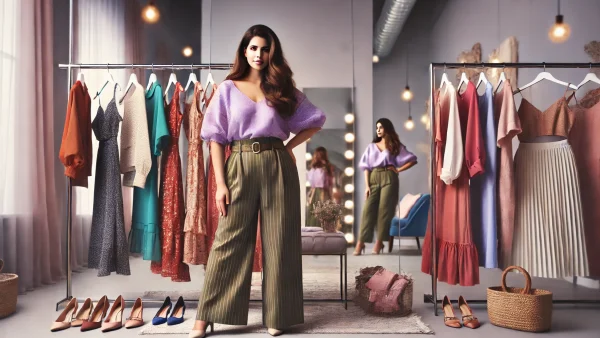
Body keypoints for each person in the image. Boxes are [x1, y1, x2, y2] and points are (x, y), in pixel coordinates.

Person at [190, 24, 326, 338]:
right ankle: (205, 317)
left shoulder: (281, 88)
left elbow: (315, 119)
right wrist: (221, 185)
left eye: (265, 49)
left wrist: (290, 146)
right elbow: (214, 139)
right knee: (228, 241)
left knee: (281, 241)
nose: (259, 54)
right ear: (244, 50)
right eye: (253, 48)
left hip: (277, 163)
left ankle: (279, 316)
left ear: (271, 53)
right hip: (238, 162)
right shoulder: (226, 89)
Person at [354, 118, 417, 256]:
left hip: (389, 177)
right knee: (368, 210)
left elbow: (412, 160)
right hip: (374, 176)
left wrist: (398, 170)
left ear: (387, 128)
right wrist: (367, 186)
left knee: (384, 211)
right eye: (377, 127)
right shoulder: (371, 147)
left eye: (381, 127)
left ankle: (379, 242)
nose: (378, 130)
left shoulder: (394, 145)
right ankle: (361, 242)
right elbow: (366, 168)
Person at [306, 146, 335, 228]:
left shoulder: (326, 167)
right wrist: (310, 195)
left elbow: (330, 183)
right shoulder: (313, 167)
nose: (318, 156)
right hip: (315, 192)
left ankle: (322, 228)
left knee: (322, 212)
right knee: (314, 211)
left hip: (323, 192)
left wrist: (331, 196)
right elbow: (312, 184)